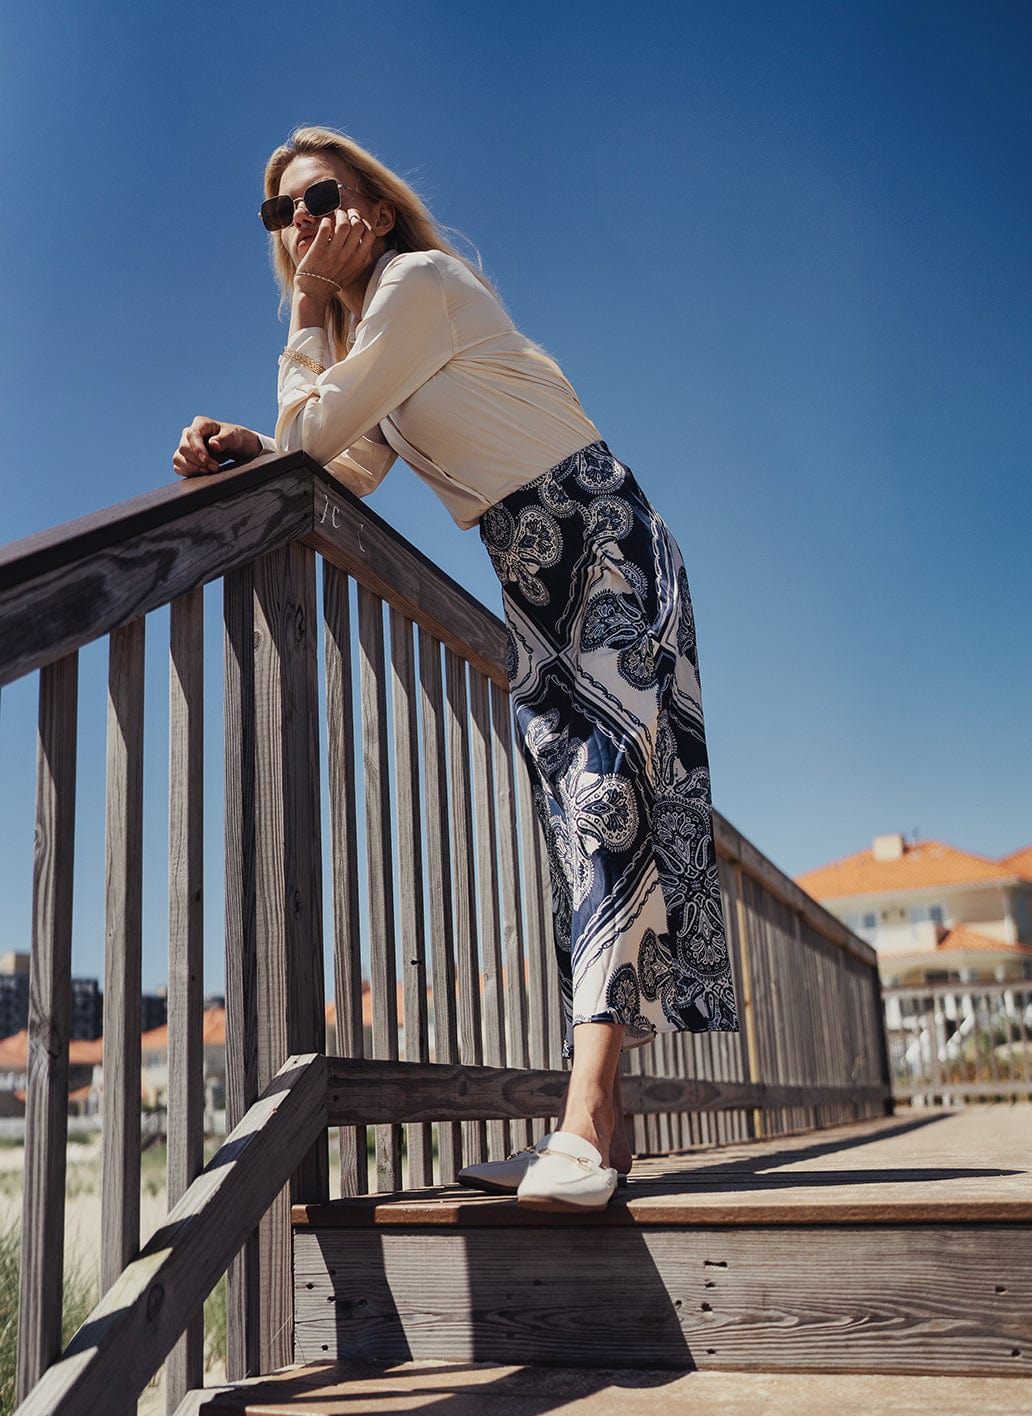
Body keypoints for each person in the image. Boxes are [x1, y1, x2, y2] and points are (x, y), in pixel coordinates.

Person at [174, 127, 739, 1211]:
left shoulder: (421, 284)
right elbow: (344, 460)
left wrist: (300, 326)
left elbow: (318, 427)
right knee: (578, 826)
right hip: (532, 572)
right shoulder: (377, 354)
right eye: (278, 214)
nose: (298, 226)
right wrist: (254, 446)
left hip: (597, 533)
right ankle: (601, 1131)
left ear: (373, 212)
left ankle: (581, 1123)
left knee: (610, 802)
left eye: (318, 199)